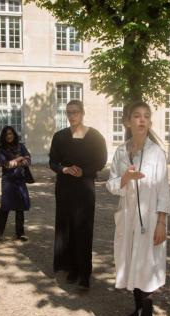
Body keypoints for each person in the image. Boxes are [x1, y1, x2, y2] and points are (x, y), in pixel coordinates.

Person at [106, 101, 170, 316]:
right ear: (127, 122)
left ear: (149, 122)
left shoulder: (157, 153)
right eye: (136, 116)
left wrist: (162, 222)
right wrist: (124, 178)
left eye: (146, 116)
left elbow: (163, 189)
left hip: (151, 218)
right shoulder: (121, 152)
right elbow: (111, 185)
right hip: (128, 216)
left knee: (146, 266)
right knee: (131, 262)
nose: (142, 120)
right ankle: (138, 311)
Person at [49, 100, 107, 290]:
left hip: (84, 187)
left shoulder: (95, 136)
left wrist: (85, 171)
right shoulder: (59, 136)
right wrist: (64, 169)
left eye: (75, 112)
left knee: (83, 228)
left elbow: (101, 161)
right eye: (68, 112)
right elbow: (52, 162)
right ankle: (71, 268)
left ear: (82, 113)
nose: (72, 115)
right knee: (67, 227)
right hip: (65, 187)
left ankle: (84, 273)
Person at [0, 125, 32, 241]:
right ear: (3, 136)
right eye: (7, 134)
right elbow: (6, 165)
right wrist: (20, 159)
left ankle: (20, 233)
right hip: (8, 180)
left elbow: (29, 160)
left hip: (20, 179)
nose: (9, 136)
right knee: (5, 206)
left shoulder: (21, 146)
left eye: (11, 134)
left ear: (14, 135)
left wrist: (21, 161)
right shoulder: (1, 149)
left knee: (20, 207)